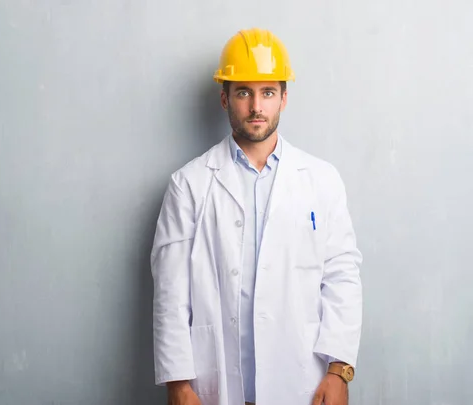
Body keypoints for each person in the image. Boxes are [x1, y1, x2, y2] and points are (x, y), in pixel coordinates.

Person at [150, 28, 363, 405]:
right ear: (224, 98)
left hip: (303, 381)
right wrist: (179, 385)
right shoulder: (189, 185)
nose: (256, 107)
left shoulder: (321, 180)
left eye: (267, 92)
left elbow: (342, 275)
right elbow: (170, 291)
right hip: (215, 386)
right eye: (243, 92)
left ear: (284, 97)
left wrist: (339, 369)